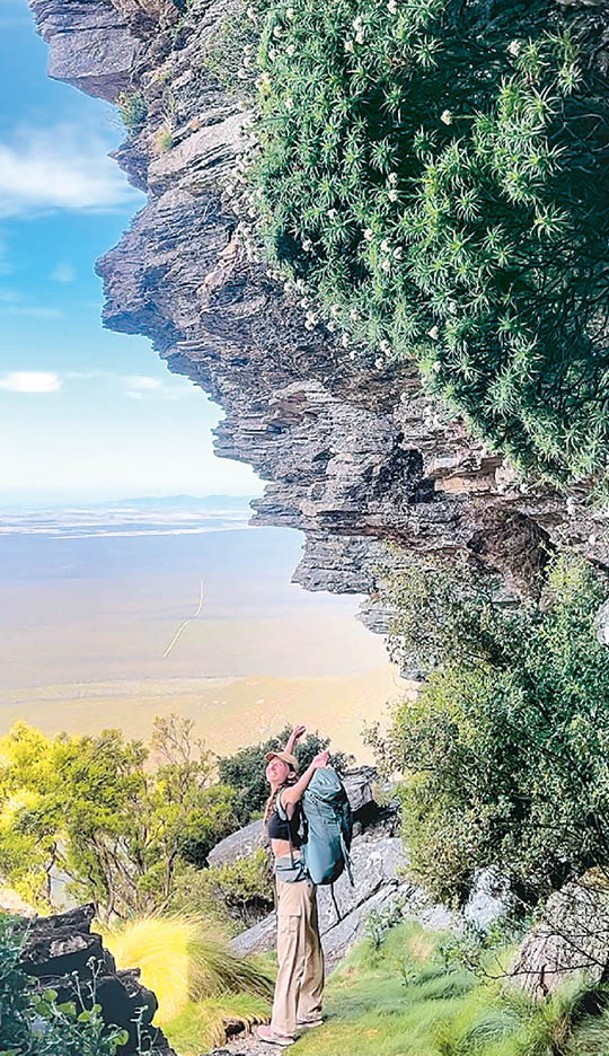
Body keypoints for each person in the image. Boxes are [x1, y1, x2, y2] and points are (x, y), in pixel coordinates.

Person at [256, 724, 329, 1047]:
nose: (272, 765)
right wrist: (291, 743)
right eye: (271, 762)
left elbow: (296, 789)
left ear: (288, 774)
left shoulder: (287, 795)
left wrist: (312, 766)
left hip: (294, 881)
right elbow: (288, 771)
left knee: (290, 952)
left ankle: (283, 1028)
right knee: (310, 944)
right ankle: (310, 1010)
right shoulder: (277, 793)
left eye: (279, 764)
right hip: (298, 880)